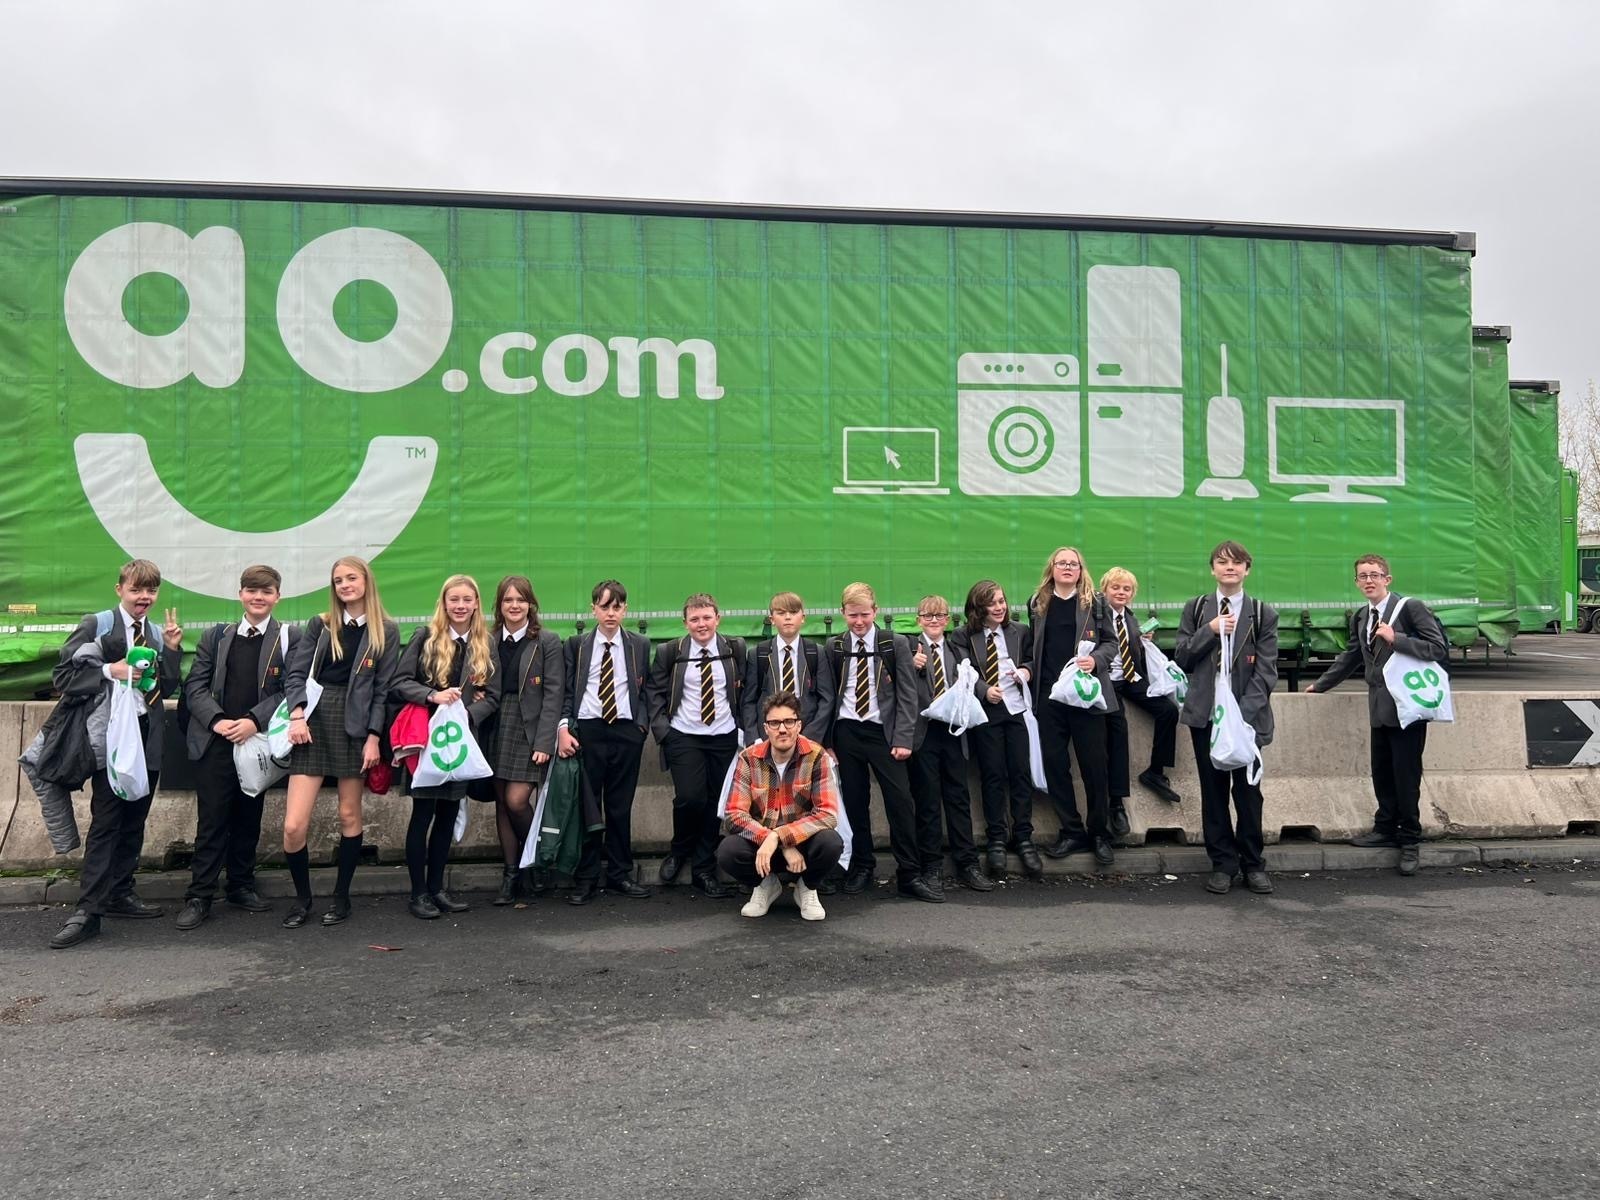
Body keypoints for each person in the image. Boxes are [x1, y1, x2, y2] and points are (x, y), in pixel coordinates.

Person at [49, 559, 183, 949]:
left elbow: (167, 687)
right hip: (110, 737)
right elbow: (64, 677)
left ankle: (121, 892)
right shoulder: (99, 625)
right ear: (119, 589)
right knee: (107, 820)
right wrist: (111, 670)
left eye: (151, 590)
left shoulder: (156, 633)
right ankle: (89, 910)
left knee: (135, 818)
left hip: (147, 735)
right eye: (137, 589)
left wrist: (171, 650)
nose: (144, 597)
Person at [1305, 554, 1449, 877]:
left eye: (1374, 575)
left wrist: (1396, 639)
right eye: (1362, 576)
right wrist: (1322, 685)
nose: (1368, 580)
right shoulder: (1362, 616)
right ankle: (1385, 827)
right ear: (1356, 583)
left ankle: (1410, 840)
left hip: (1407, 708)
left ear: (1388, 578)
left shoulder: (1410, 609)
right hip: (1379, 707)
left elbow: (1436, 648)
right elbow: (1352, 655)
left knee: (1406, 775)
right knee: (1381, 771)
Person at [175, 564, 297, 931]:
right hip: (215, 741)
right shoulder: (217, 636)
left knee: (249, 818)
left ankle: (241, 886)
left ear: (278, 596)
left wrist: (253, 722)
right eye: (251, 590)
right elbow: (194, 686)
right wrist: (217, 721)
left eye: (266, 591)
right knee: (211, 821)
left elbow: (290, 688)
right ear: (240, 594)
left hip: (257, 742)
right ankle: (200, 895)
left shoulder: (289, 637)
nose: (258, 597)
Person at [280, 556, 400, 928]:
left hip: (356, 725)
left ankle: (341, 897)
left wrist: (373, 738)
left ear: (366, 581)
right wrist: (297, 714)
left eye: (351, 578)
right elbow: (296, 672)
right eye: (338, 580)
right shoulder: (321, 624)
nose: (345, 585)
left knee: (349, 815)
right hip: (313, 723)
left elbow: (383, 691)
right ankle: (303, 899)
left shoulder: (386, 630)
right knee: (293, 827)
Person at [1174, 540, 1279, 896]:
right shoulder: (1197, 608)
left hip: (1246, 719)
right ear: (1213, 569)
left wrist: (1241, 715)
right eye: (1222, 562)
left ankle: (1253, 864)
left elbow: (1267, 671)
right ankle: (1222, 863)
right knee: (1213, 793)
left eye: (1236, 563)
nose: (1229, 568)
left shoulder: (1264, 612)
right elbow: (1183, 658)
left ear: (1247, 569)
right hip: (1206, 716)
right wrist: (1211, 630)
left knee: (1249, 793)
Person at [391, 574, 498, 920]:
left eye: (467, 599)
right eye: (454, 599)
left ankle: (437, 889)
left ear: (476, 603)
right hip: (426, 743)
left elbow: (494, 696)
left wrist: (468, 714)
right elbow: (400, 683)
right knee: (422, 815)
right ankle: (417, 893)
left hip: (460, 745)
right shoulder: (426, 636)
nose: (461, 606)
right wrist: (432, 696)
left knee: (448, 815)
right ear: (444, 602)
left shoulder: (486, 642)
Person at [825, 582, 938, 901]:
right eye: (852, 615)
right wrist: (828, 741)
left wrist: (903, 738)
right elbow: (829, 695)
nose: (859, 621)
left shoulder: (895, 643)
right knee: (854, 802)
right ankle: (862, 865)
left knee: (900, 801)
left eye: (864, 614)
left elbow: (908, 695)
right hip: (847, 732)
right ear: (842, 613)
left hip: (884, 734)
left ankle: (909, 872)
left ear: (875, 612)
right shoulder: (834, 646)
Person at [646, 593, 746, 898]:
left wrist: (743, 730)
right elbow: (654, 693)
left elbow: (747, 688)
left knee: (715, 803)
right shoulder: (669, 651)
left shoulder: (736, 648)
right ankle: (679, 851)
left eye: (706, 618)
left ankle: (703, 868)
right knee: (690, 797)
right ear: (685, 622)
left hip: (724, 736)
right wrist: (665, 732)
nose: (701, 624)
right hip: (685, 735)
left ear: (718, 618)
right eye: (694, 619)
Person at [560, 580, 652, 905]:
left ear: (625, 609)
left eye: (617, 607)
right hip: (589, 729)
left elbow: (647, 687)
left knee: (619, 806)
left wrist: (641, 725)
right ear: (593, 608)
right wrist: (565, 726)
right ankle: (585, 876)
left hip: (626, 731)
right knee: (587, 806)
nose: (610, 613)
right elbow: (569, 690)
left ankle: (619, 873)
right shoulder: (577, 645)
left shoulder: (639, 644)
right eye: (604, 606)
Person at [716, 692, 845, 921]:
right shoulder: (749, 758)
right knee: (728, 851)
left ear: (799, 725)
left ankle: (808, 886)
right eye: (774, 723)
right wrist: (776, 840)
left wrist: (781, 837)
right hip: (762, 846)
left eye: (789, 722)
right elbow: (734, 815)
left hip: (803, 848)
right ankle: (766, 884)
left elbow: (827, 814)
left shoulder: (817, 756)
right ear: (765, 728)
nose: (782, 729)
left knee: (830, 842)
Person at [1029, 547, 1120, 868]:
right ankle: (1071, 830)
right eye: (1061, 563)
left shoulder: (1095, 603)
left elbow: (1112, 643)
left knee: (1095, 767)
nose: (1068, 568)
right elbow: (1032, 649)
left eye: (1074, 564)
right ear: (1051, 568)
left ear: (1081, 570)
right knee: (1055, 767)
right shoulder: (1037, 602)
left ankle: (1099, 833)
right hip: (1049, 699)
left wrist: (1095, 660)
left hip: (1085, 697)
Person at [488, 575, 564, 905]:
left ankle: (535, 862)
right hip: (493, 726)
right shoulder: (488, 639)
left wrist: (545, 742)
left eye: (521, 600)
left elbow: (553, 694)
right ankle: (511, 874)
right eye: (508, 600)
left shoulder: (547, 641)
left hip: (529, 729)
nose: (515, 606)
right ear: (499, 606)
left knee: (517, 800)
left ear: (531, 604)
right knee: (502, 803)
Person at [954, 580, 1037, 880]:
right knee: (992, 774)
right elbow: (960, 670)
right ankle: (996, 839)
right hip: (987, 712)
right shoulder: (964, 635)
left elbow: (1032, 658)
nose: (1000, 608)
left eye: (1002, 601)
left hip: (1016, 709)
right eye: (993, 603)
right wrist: (982, 690)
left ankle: (1024, 837)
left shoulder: (1020, 631)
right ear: (979, 608)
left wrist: (1025, 671)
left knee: (1020, 772)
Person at [909, 595, 991, 892]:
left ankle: (967, 863)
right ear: (918, 619)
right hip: (924, 732)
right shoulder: (910, 648)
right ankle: (931, 866)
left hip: (955, 731)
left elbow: (972, 681)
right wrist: (911, 665)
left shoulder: (957, 650)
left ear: (947, 620)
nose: (933, 621)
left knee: (958, 797)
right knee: (928, 800)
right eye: (927, 616)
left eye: (939, 616)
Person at [1097, 566, 1183, 839]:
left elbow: (1134, 652)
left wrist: (1142, 640)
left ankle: (1155, 771)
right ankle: (1116, 802)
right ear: (1105, 590)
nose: (1121, 593)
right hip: (1106, 681)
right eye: (1116, 588)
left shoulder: (1131, 620)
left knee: (1168, 710)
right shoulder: (1096, 618)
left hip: (1131, 678)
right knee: (1117, 730)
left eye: (1127, 589)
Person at [739, 591, 834, 746]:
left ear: (803, 617)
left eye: (794, 612)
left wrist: (811, 736)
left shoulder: (816, 652)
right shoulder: (759, 654)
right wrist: (754, 738)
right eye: (781, 613)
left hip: (806, 735)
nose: (788, 617)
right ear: (772, 619)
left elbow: (827, 699)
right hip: (768, 737)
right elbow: (749, 700)